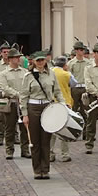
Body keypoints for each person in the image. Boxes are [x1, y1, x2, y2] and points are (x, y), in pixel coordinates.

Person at [20, 51, 64, 179]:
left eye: (42, 60)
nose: (40, 63)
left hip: (47, 107)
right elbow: (23, 96)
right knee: (35, 140)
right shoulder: (28, 76)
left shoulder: (52, 74)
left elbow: (57, 91)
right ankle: (36, 169)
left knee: (46, 139)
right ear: (33, 61)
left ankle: (45, 169)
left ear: (45, 61)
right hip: (33, 107)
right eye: (37, 60)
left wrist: (63, 104)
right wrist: (24, 114)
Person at [0, 48, 31, 160]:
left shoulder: (25, 72)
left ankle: (25, 149)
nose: (18, 59)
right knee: (10, 128)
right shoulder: (3, 74)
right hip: (11, 103)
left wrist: (24, 95)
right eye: (16, 57)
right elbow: (5, 88)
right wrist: (17, 94)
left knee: (25, 127)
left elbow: (28, 85)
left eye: (18, 57)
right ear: (10, 59)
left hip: (23, 103)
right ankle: (9, 150)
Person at [50, 56, 75, 163]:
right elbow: (74, 83)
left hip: (52, 103)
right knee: (64, 130)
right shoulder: (66, 74)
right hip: (65, 103)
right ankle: (65, 154)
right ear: (64, 64)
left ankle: (50, 153)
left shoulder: (50, 72)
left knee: (51, 130)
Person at [68, 41, 90, 121]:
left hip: (85, 88)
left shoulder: (88, 62)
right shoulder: (71, 63)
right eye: (80, 49)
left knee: (86, 109)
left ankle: (86, 130)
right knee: (74, 108)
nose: (82, 51)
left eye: (82, 49)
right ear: (76, 51)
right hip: (75, 89)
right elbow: (69, 77)